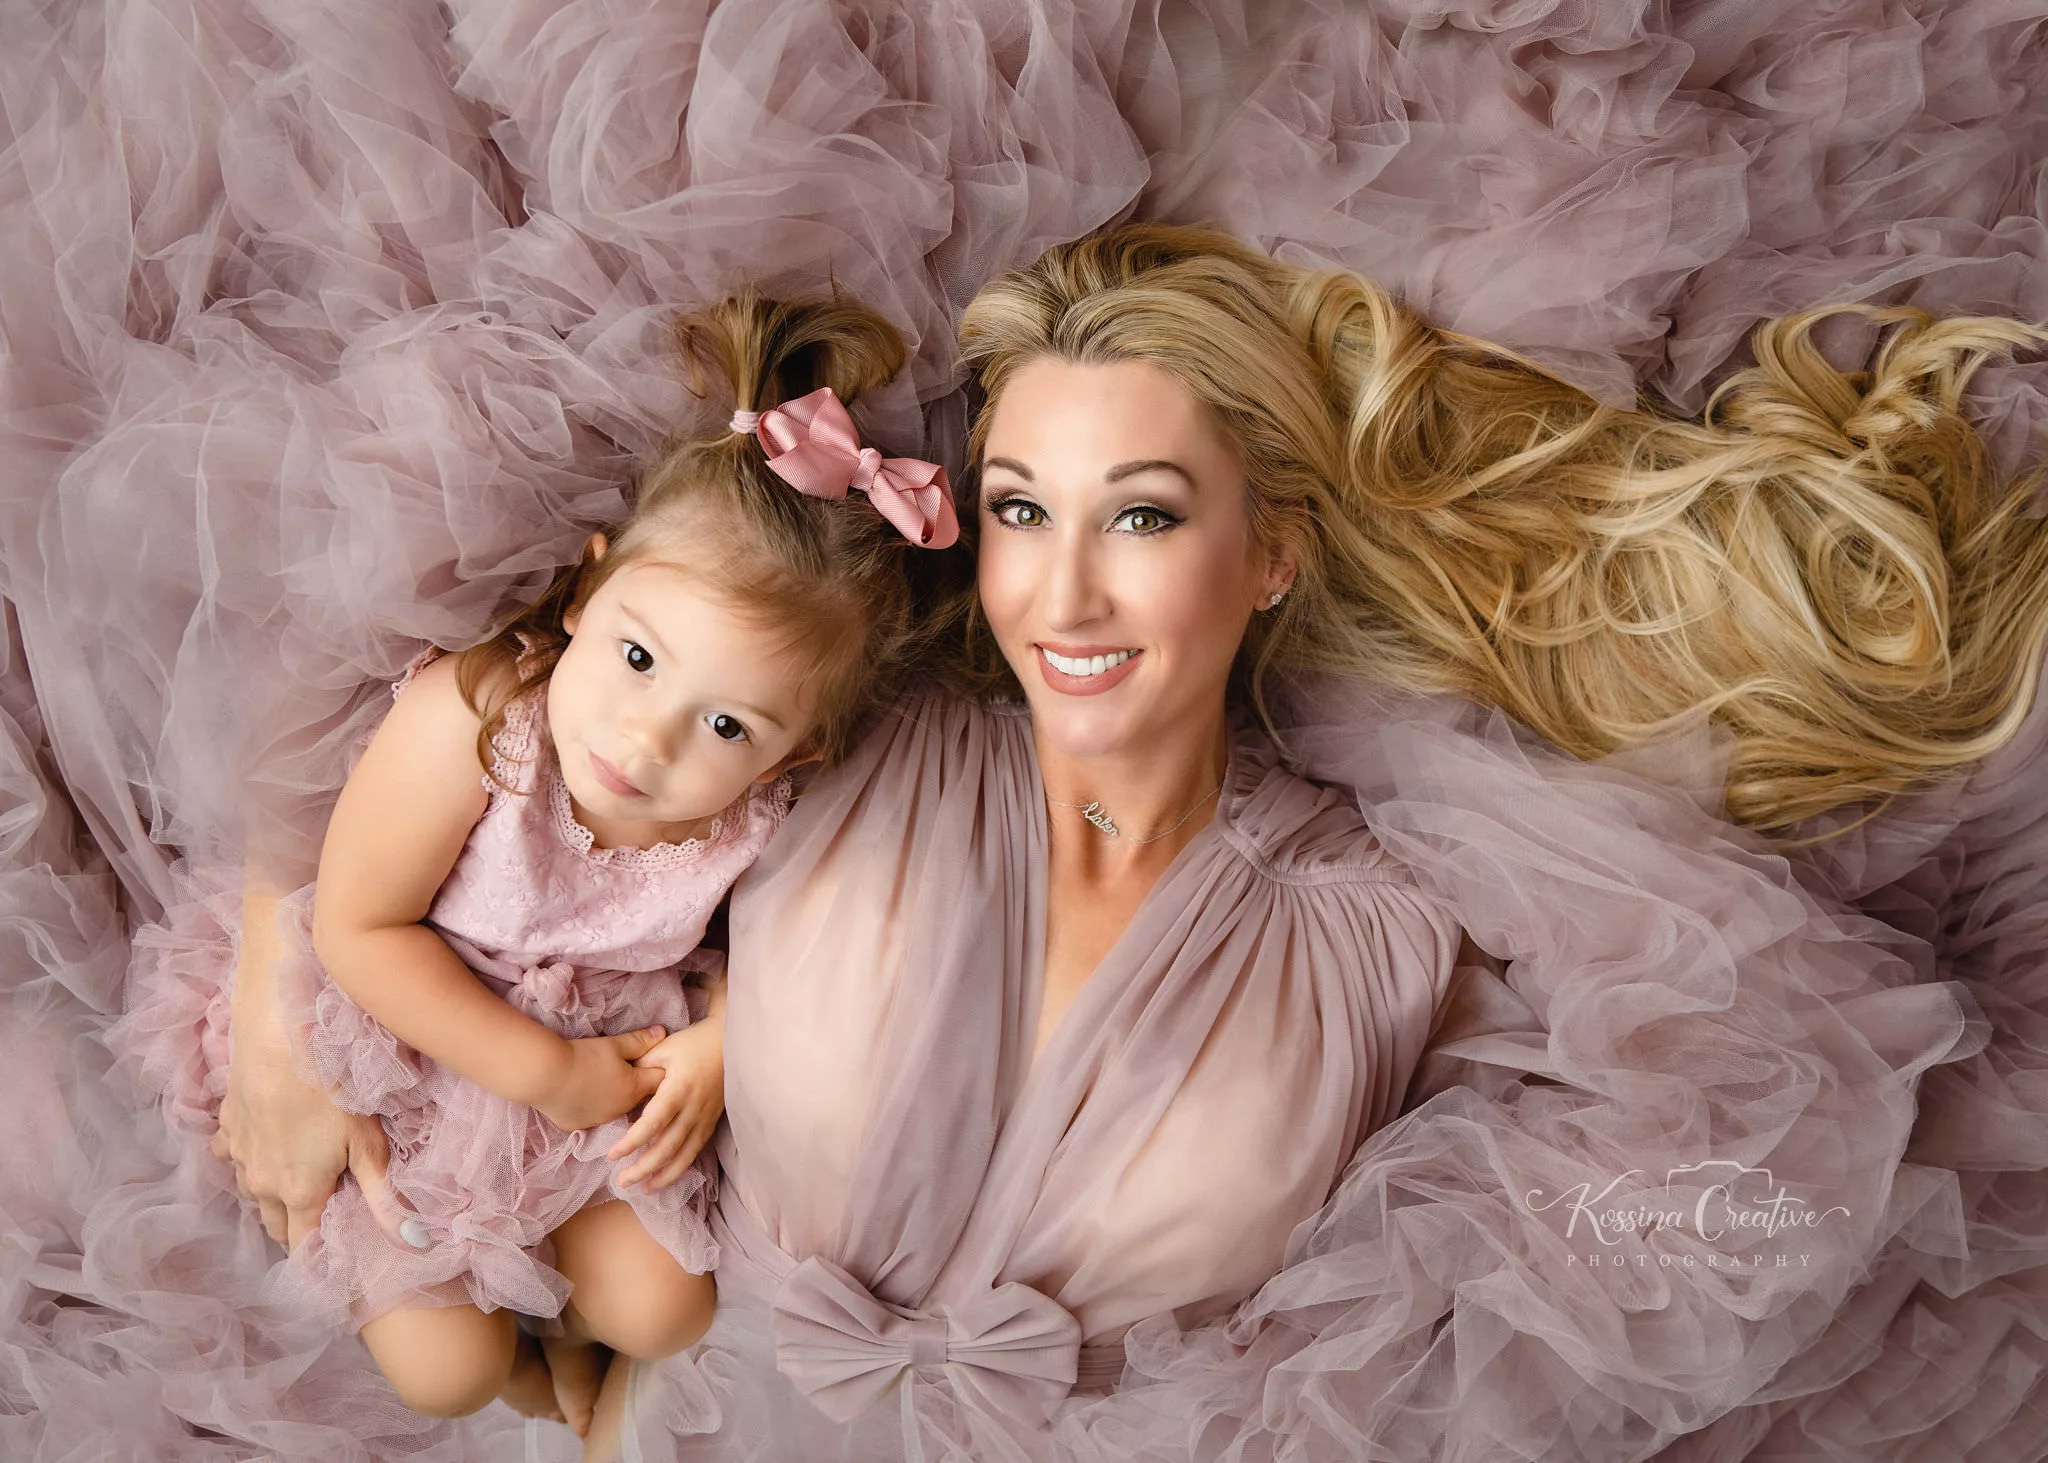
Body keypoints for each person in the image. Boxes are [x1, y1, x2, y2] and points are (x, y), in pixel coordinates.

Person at [217, 224, 2048, 1460]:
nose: (1063, 589)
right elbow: (465, 712)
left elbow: (1737, 1153)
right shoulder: (823, 750)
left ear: (1270, 556)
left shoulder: (1388, 924)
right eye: (1017, 508)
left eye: (1144, 514)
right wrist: (265, 992)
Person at [121, 290, 955, 1458]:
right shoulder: (479, 722)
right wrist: (543, 1071)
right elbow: (361, 927)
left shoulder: (760, 816)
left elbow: (801, 953)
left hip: (595, 1057)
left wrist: (722, 1043)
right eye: (634, 656)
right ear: (584, 589)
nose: (645, 740)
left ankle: (568, 1327)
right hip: (411, 1028)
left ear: (794, 752)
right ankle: (516, 1365)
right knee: (443, 1372)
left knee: (667, 1304)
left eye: (727, 725)